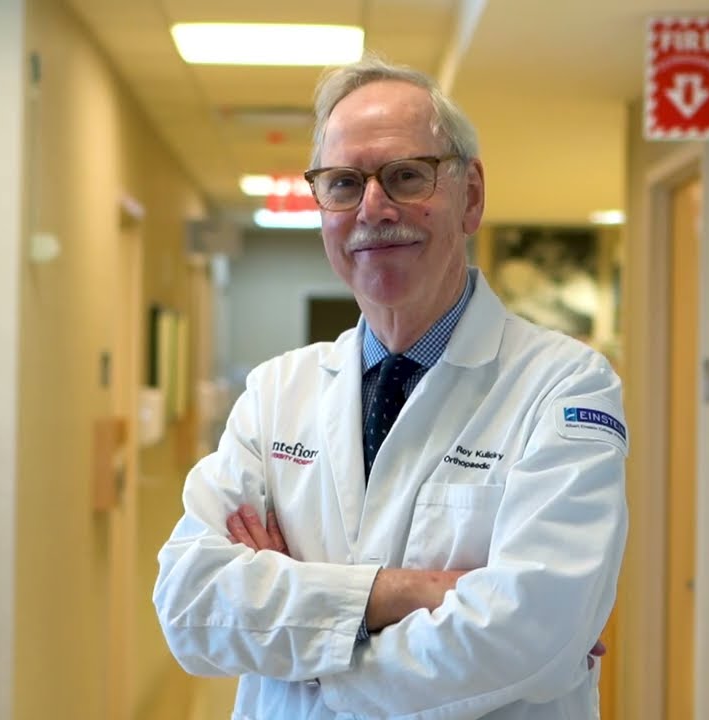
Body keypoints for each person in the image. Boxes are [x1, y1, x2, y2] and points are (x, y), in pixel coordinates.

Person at [153, 56, 628, 719]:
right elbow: (190, 607)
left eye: (407, 176)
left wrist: (297, 650)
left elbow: (531, 635)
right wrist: (408, 594)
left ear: (472, 195)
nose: (373, 208)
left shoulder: (563, 386)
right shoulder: (275, 393)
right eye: (343, 183)